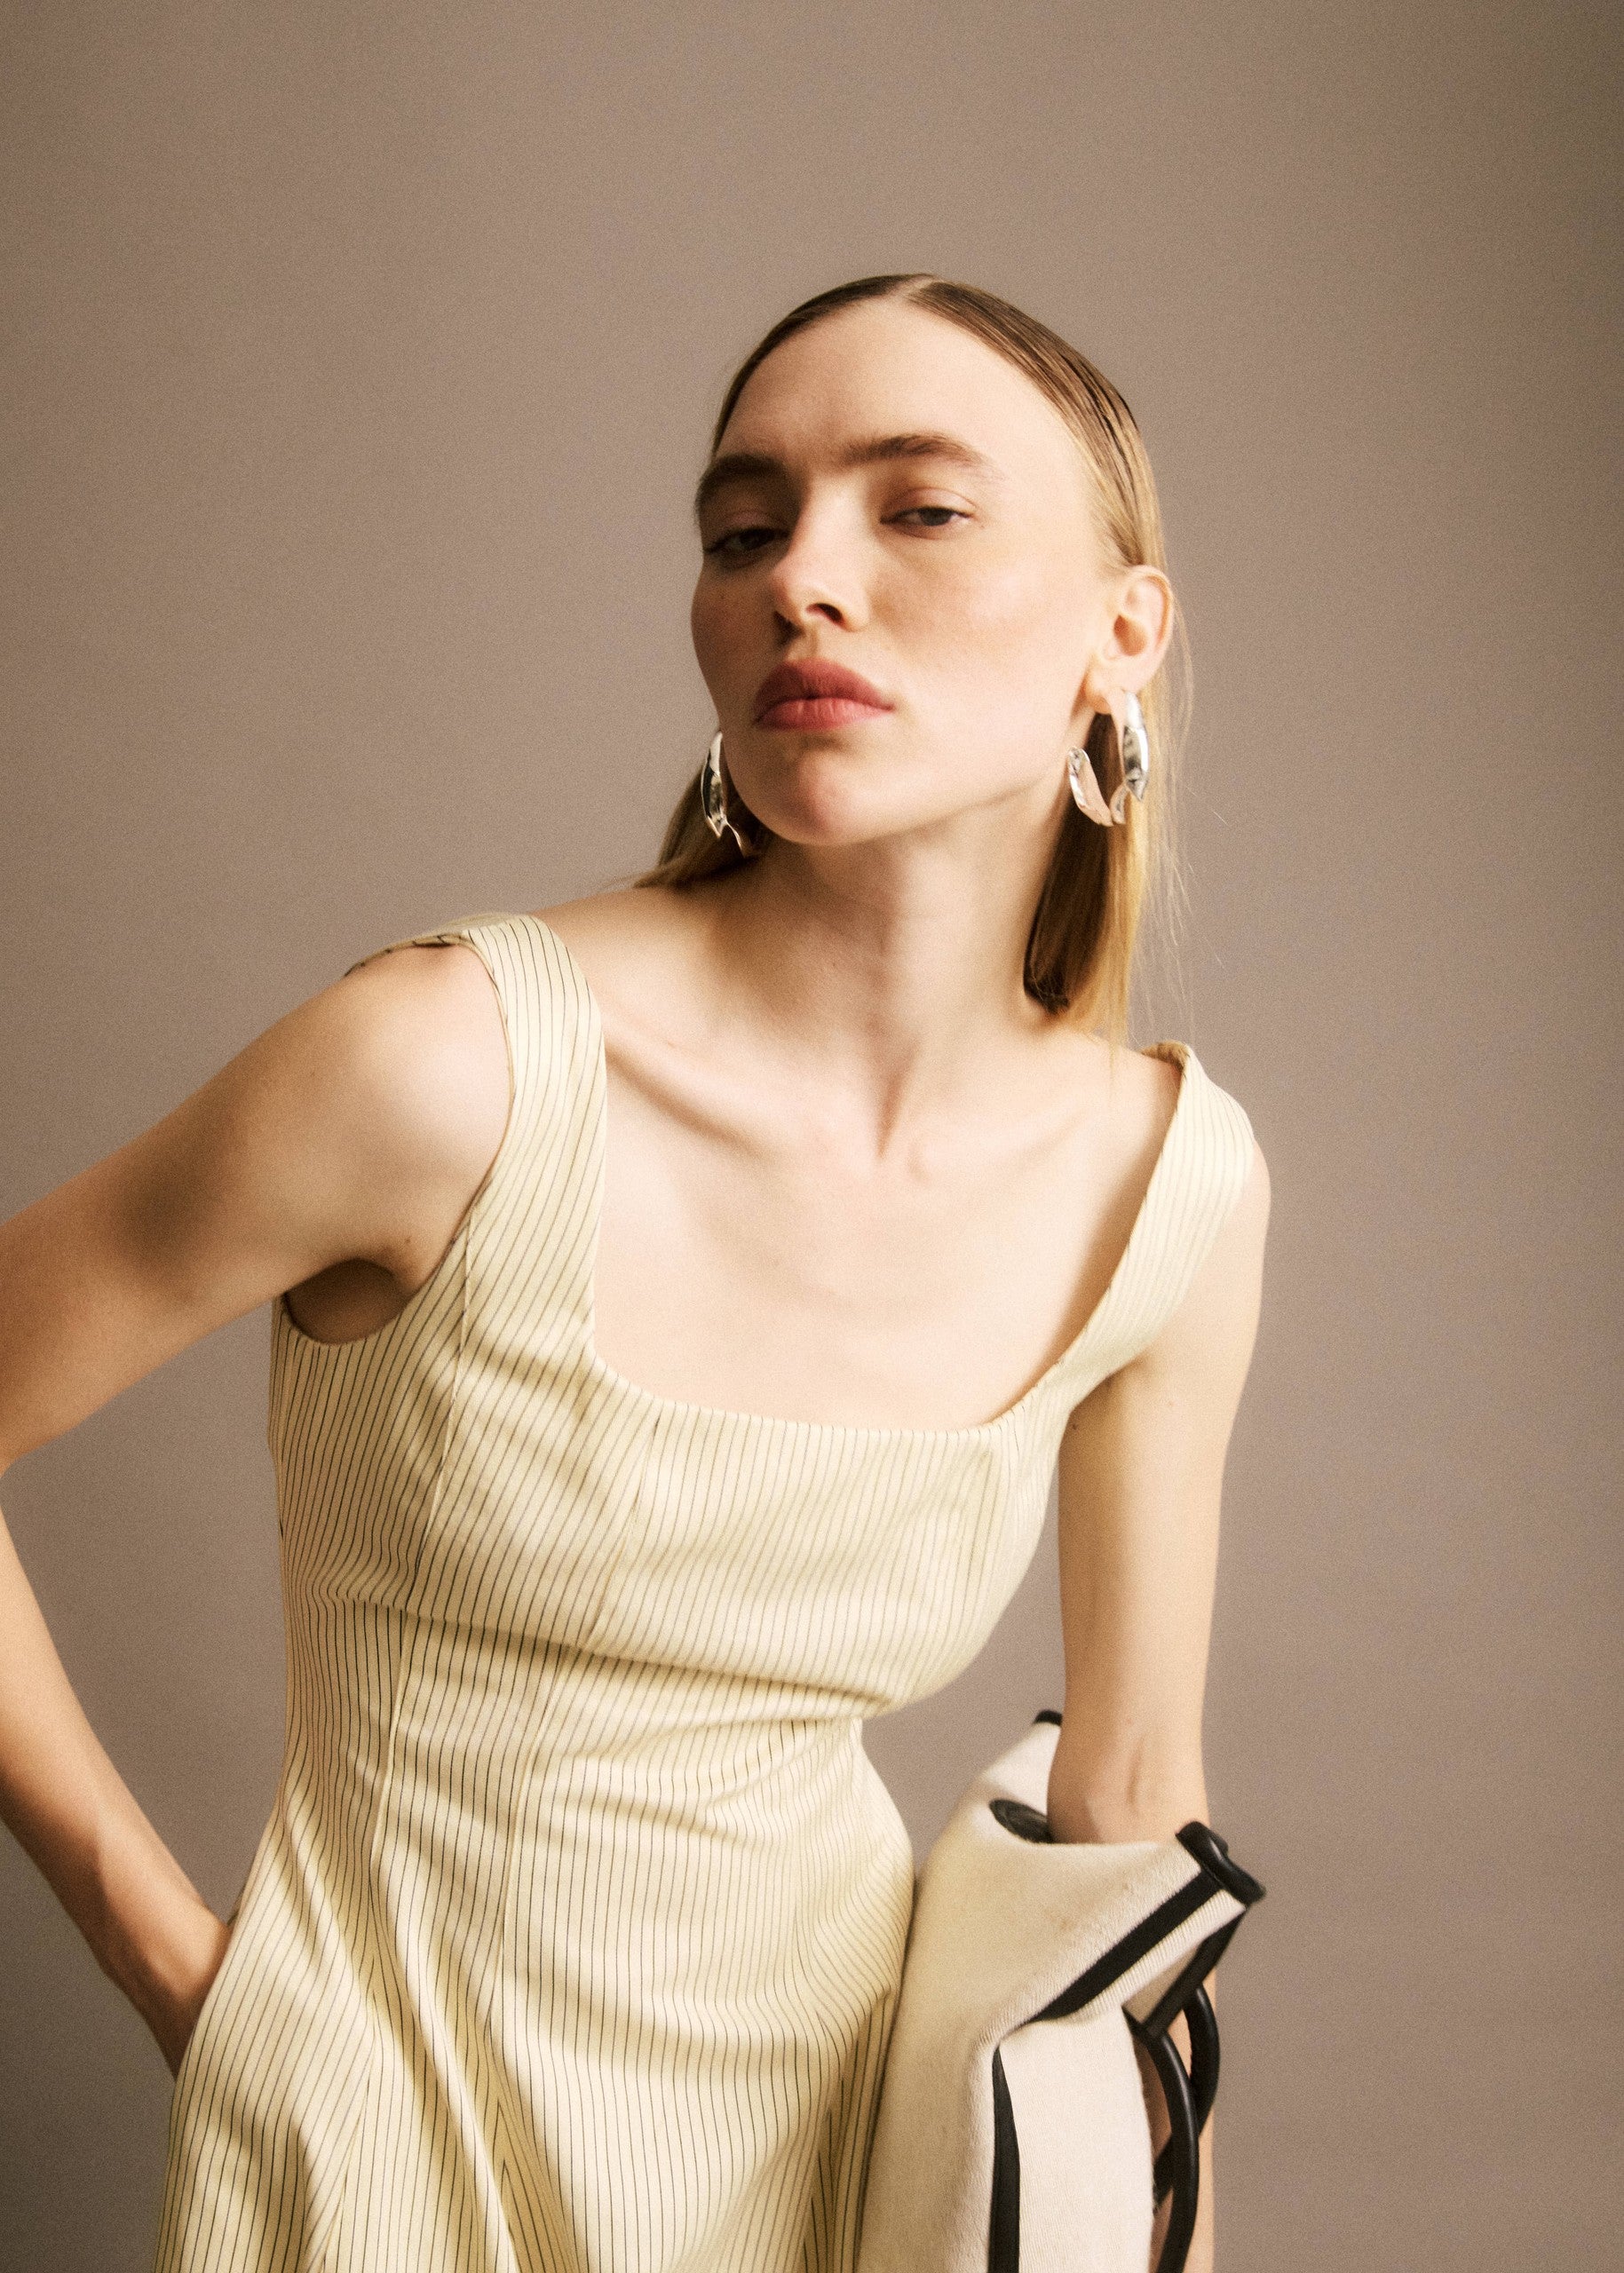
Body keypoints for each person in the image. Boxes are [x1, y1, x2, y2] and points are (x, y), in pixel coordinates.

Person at [0, 273, 1271, 2273]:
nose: (801, 582)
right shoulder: (445, 1066)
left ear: (1126, 632)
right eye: (743, 529)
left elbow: (1130, 1810)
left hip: (858, 2189)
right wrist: (180, 1968)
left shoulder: (1168, 1182)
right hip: (383, 2168)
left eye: (919, 509)